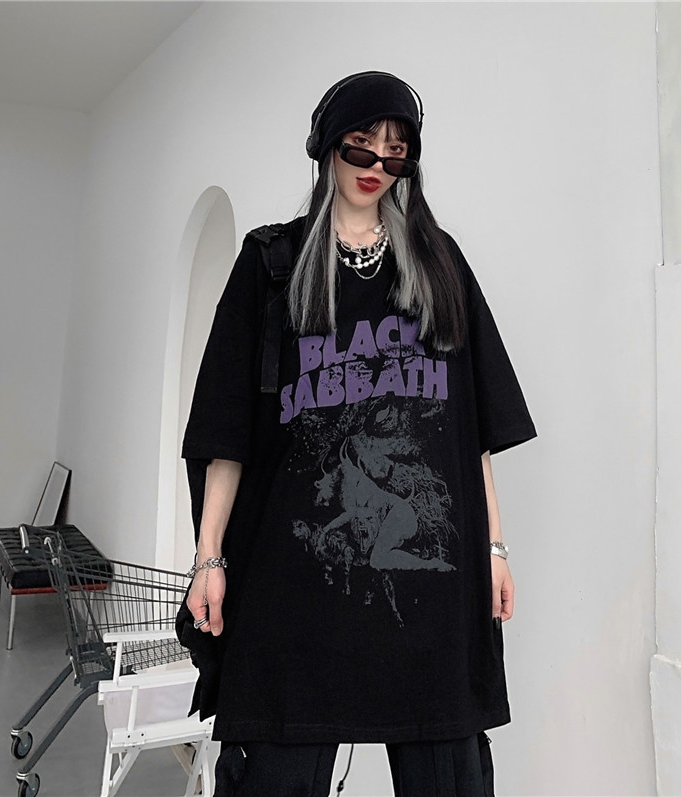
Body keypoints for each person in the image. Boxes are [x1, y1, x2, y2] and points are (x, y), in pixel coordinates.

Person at [177, 71, 537, 797]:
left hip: (428, 585)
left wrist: (494, 547)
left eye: (395, 152)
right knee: (274, 771)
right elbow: (226, 430)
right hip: (296, 583)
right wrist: (208, 556)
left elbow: (470, 431)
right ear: (326, 148)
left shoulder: (438, 265)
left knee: (451, 773)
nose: (376, 165)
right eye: (361, 145)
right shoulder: (271, 264)